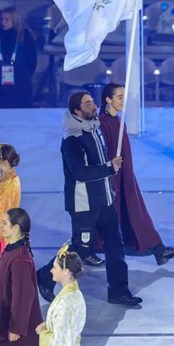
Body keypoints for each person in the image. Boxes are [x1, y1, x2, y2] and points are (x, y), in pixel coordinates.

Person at [36, 91, 142, 306]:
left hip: (104, 200)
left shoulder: (94, 129)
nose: (93, 106)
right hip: (84, 205)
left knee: (115, 245)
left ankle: (118, 291)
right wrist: (109, 168)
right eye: (87, 104)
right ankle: (45, 276)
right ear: (77, 111)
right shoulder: (73, 139)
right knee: (81, 248)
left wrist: (108, 182)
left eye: (92, 101)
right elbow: (80, 173)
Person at [97, 83, 174, 265]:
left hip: (125, 177)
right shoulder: (102, 124)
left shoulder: (118, 122)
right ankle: (84, 250)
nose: (123, 100)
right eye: (119, 97)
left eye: (124, 97)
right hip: (111, 177)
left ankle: (158, 249)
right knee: (111, 216)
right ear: (108, 99)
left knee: (136, 212)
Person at [0, 208, 42, 346]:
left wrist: (16, 328)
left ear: (15, 228)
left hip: (17, 330)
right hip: (6, 319)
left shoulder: (20, 259)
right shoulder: (10, 251)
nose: (1, 226)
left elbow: (23, 296)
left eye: (5, 223)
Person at [36, 244, 86, 346]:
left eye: (54, 267)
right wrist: (49, 324)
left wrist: (44, 333)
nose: (51, 270)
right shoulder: (75, 293)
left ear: (66, 272)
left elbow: (61, 342)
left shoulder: (65, 302)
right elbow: (65, 326)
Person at [0, 6, 37, 108]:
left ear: (14, 20)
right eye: (2, 19)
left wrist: (23, 74)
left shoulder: (25, 37)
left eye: (7, 20)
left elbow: (32, 61)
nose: (3, 23)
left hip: (21, 84)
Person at [0, 143, 21, 253]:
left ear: (5, 163)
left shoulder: (9, 185)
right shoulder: (9, 178)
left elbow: (2, 212)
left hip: (2, 236)